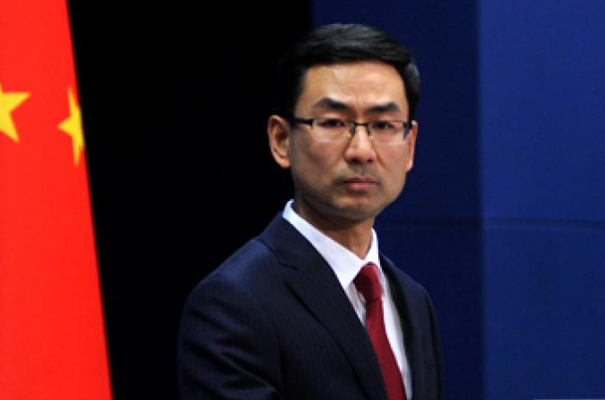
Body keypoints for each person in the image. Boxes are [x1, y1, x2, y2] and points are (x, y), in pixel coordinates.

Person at [178, 23, 442, 400]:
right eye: (333, 123)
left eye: (384, 125)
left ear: (410, 145)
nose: (361, 150)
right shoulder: (233, 302)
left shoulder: (413, 301)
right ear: (281, 140)